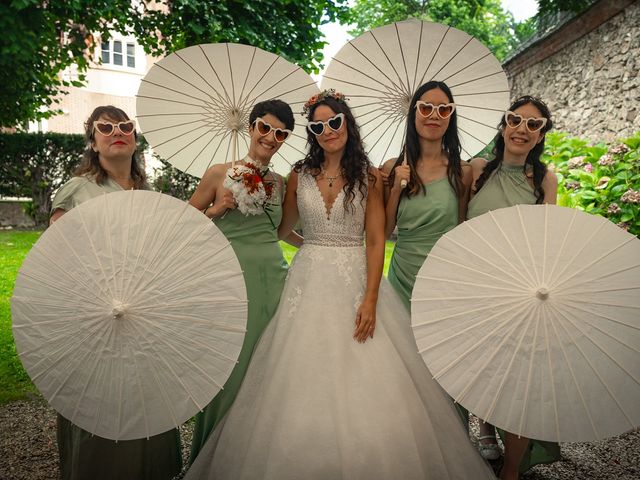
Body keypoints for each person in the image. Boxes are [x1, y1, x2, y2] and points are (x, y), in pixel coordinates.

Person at [184, 91, 496, 479]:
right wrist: (312, 242)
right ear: (312, 133)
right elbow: (283, 228)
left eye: (335, 122)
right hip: (307, 278)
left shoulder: (369, 176)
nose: (328, 130)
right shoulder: (298, 175)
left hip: (354, 279)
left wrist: (370, 298)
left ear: (347, 122)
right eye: (318, 126)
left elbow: (377, 239)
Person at [50, 105, 182, 480]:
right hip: (95, 306)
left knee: (144, 393)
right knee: (101, 398)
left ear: (135, 141)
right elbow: (56, 256)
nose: (116, 131)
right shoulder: (77, 190)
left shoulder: (146, 194)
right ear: (93, 142)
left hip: (143, 306)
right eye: (104, 127)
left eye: (125, 126)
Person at [188, 99, 300, 462]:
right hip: (231, 278)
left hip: (273, 277)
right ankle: (213, 456)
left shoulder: (281, 183)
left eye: (280, 133)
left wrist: (320, 244)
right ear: (251, 127)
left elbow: (282, 231)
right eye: (265, 128)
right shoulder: (218, 173)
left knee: (268, 364)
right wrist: (217, 210)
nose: (271, 137)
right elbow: (181, 226)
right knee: (230, 365)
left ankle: (257, 456)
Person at [468, 95, 560, 480]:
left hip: (520, 286)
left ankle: (510, 470)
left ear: (540, 136)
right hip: (476, 282)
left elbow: (547, 237)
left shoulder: (545, 180)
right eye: (515, 120)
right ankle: (485, 424)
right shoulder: (474, 170)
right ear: (503, 125)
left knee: (521, 376)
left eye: (533, 125)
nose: (522, 129)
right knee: (486, 367)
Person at [382, 81, 472, 311]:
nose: (434, 115)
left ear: (451, 116)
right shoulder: (392, 167)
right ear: (414, 113)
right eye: (425, 108)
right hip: (402, 273)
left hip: (444, 276)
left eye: (443, 109)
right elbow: (382, 232)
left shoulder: (462, 171)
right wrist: (394, 190)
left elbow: (460, 228)